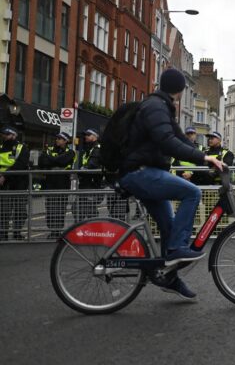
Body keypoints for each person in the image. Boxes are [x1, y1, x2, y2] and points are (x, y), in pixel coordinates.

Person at [118, 68, 224, 300]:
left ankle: (169, 278)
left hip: (147, 171)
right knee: (192, 193)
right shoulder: (155, 107)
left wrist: (206, 159)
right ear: (180, 89)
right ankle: (176, 250)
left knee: (169, 227)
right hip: (140, 172)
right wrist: (204, 158)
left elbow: (180, 140)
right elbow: (167, 142)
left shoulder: (163, 107)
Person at [38, 132, 76, 239]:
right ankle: (52, 230)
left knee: (60, 209)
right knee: (50, 209)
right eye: (57, 138)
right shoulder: (49, 150)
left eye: (60, 139)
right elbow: (42, 161)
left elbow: (63, 160)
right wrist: (55, 161)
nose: (57, 140)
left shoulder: (71, 152)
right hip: (49, 184)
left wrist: (51, 160)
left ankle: (57, 231)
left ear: (65, 141)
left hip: (62, 184)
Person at [0, 126, 30, 241]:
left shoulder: (22, 148)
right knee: (4, 210)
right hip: (4, 183)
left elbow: (21, 164)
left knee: (20, 210)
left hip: (19, 182)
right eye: (3, 134)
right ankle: (3, 234)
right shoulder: (1, 147)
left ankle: (17, 233)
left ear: (14, 135)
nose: (4, 136)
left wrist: (4, 175)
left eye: (7, 134)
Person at [77, 128, 103, 221]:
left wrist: (82, 169)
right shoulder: (88, 148)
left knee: (87, 210)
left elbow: (92, 164)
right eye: (85, 135)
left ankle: (93, 230)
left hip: (92, 184)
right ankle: (87, 230)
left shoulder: (97, 149)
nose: (86, 137)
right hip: (85, 183)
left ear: (94, 137)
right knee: (81, 210)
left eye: (88, 135)